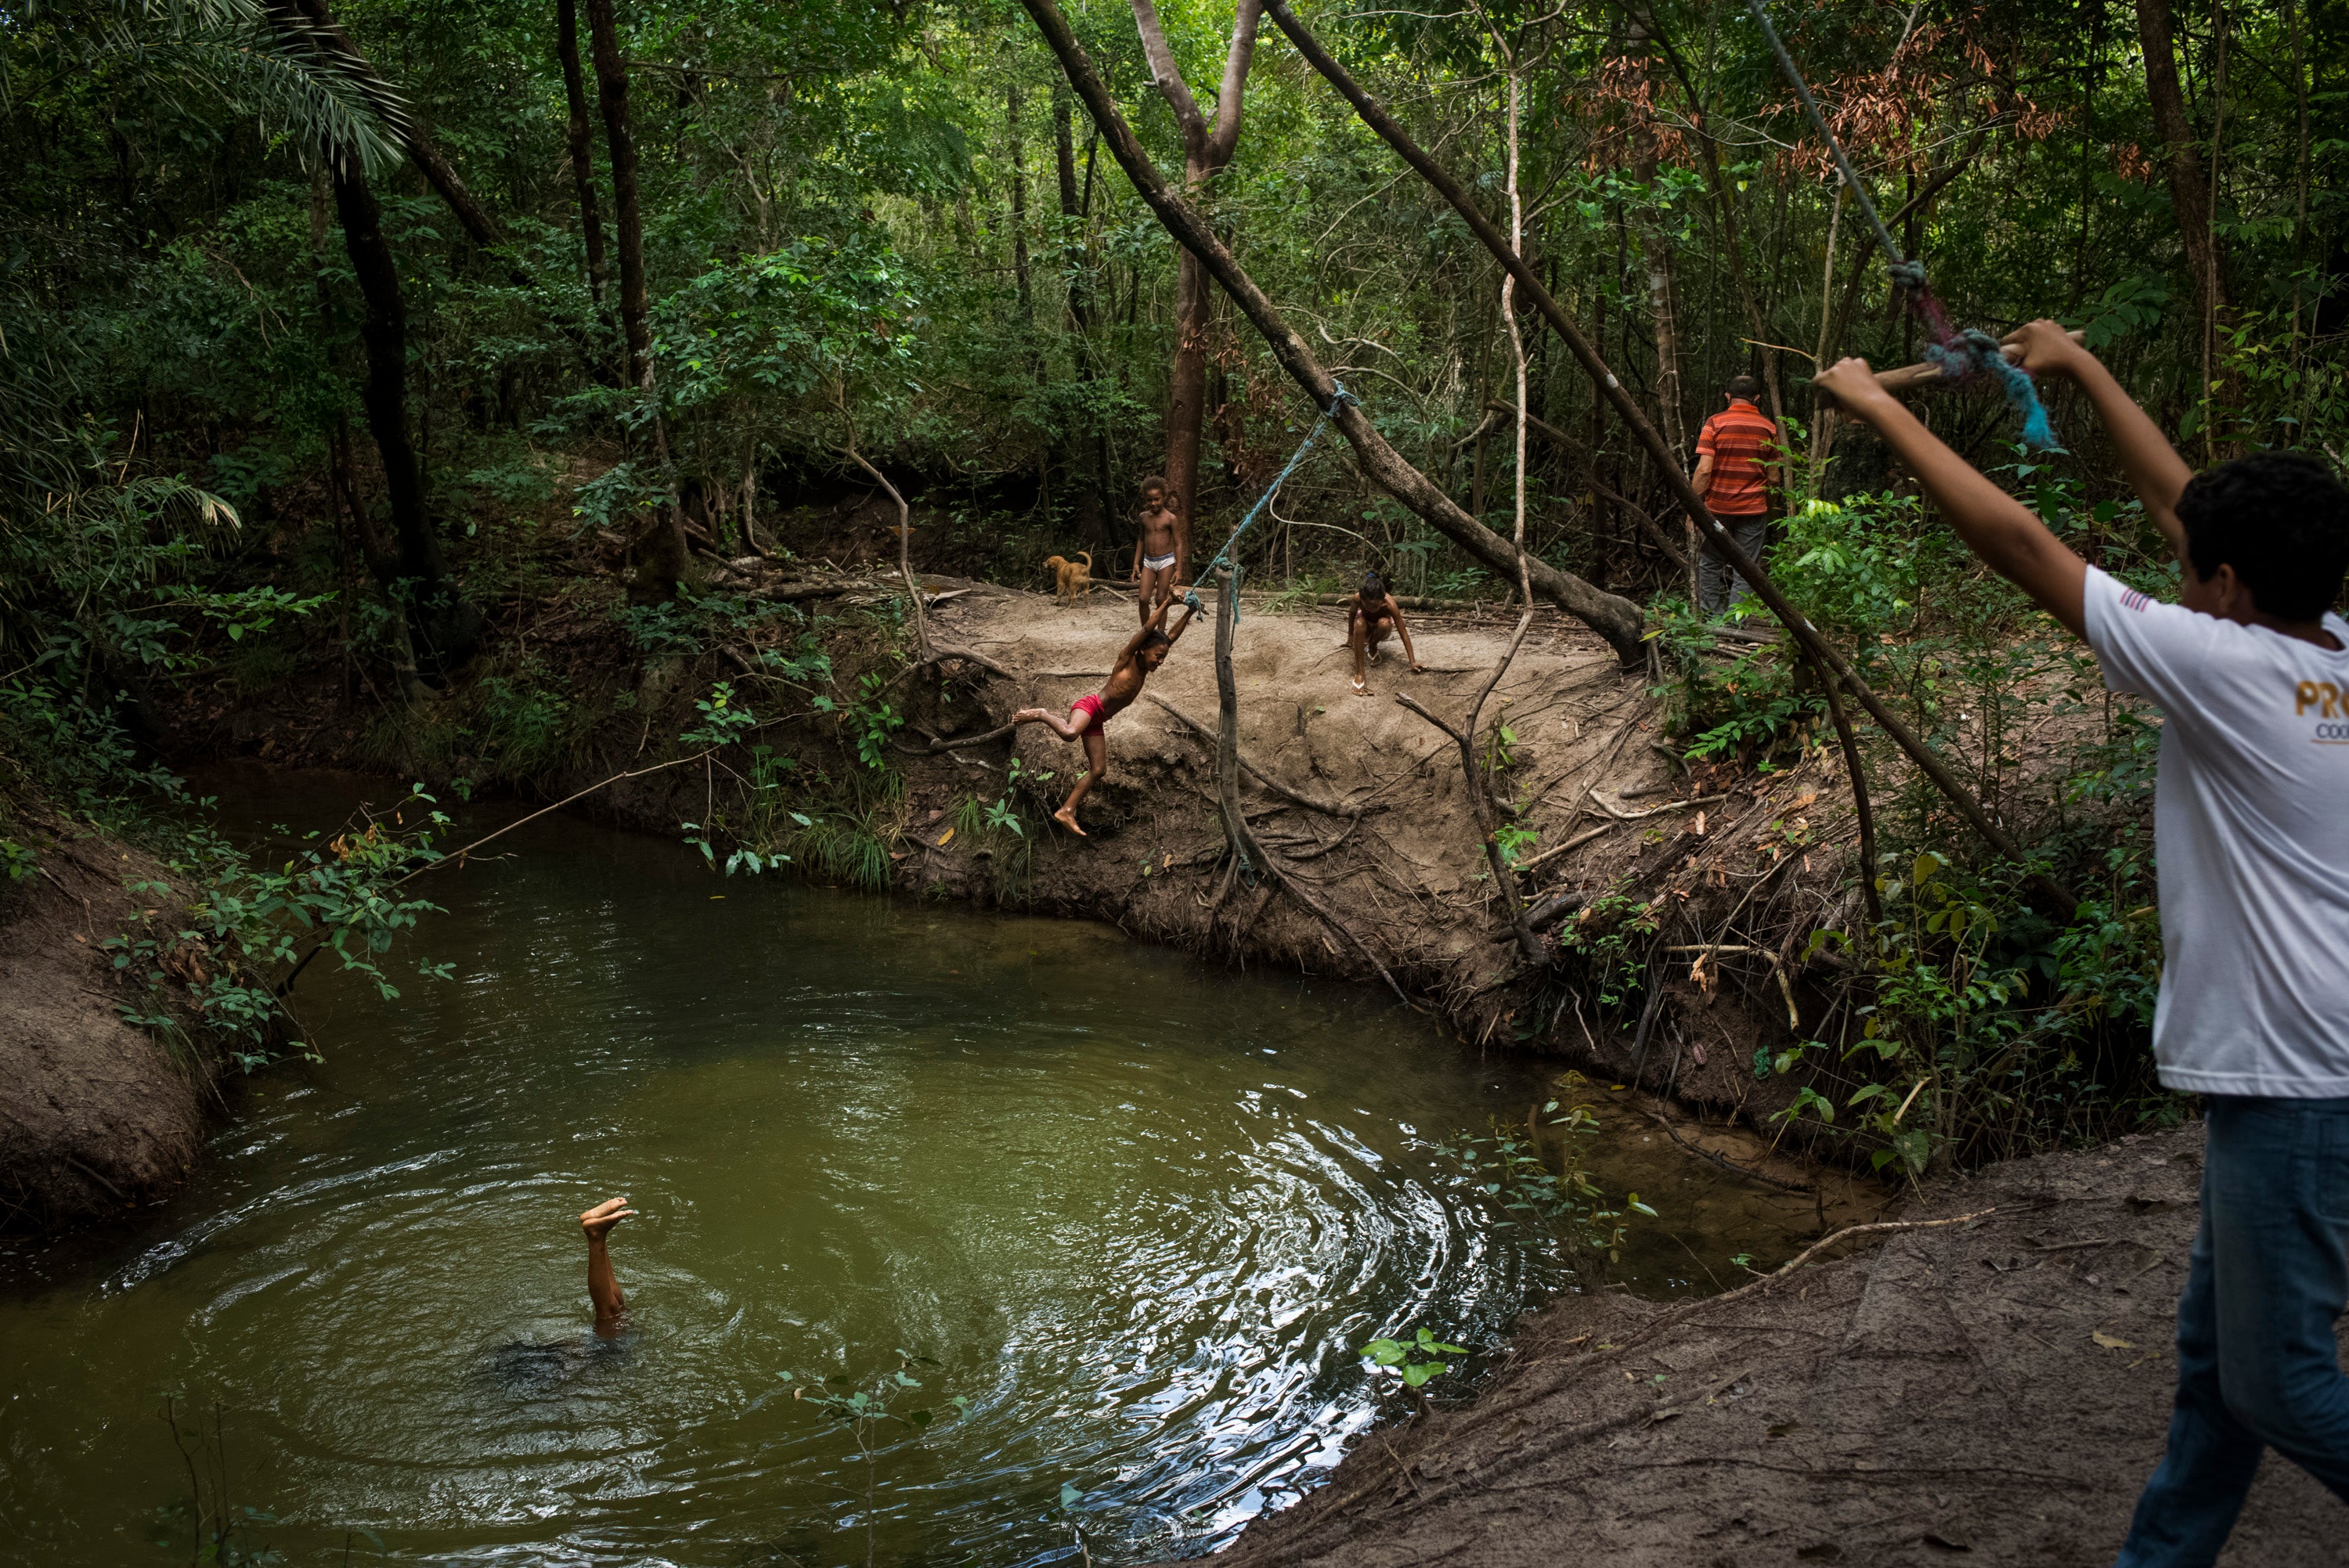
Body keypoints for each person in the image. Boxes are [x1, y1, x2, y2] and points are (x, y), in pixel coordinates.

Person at [1815, 324, 2349, 1568]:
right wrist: (2080, 364)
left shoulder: (2220, 667)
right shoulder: (2326, 650)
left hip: (2299, 1082)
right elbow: (2188, 509)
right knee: (2220, 1372)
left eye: (2195, 564)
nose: (2181, 562)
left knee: (2280, 1387)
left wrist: (1879, 410)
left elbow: (2025, 546)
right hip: (2300, 1070)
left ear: (2221, 583)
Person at [1012, 592, 1201, 834]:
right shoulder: (1126, 660)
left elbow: (1170, 637)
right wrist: (1166, 602)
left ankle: (1067, 810)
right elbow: (1146, 629)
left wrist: (1189, 611)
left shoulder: (1145, 666)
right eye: (1158, 656)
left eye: (1164, 657)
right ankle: (1040, 714)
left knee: (1099, 770)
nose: (1161, 662)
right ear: (1143, 650)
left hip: (1099, 720)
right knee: (1069, 732)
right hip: (1090, 707)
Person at [1690, 373, 1784, 615]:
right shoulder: (1768, 427)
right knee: (1747, 566)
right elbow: (1774, 477)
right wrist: (1768, 504)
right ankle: (1736, 622)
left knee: (1710, 562)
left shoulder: (1715, 423)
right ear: (1757, 398)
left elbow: (1703, 471)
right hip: (1753, 509)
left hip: (1716, 508)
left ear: (1728, 396)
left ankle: (1712, 619)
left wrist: (1693, 507)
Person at [1344, 569, 1423, 696]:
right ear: (1362, 600)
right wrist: (1350, 636)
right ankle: (1360, 672)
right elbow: (1352, 615)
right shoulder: (1357, 598)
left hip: (1380, 630)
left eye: (1375, 606)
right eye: (1367, 606)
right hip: (1364, 626)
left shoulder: (1390, 604)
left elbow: (1403, 633)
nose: (1371, 609)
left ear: (1382, 600)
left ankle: (1372, 645)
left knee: (1384, 623)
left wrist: (1412, 661)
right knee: (1359, 624)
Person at [582, 1195, 635, 1338]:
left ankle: (596, 1236)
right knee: (619, 1308)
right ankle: (595, 1232)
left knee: (610, 1315)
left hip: (599, 1353)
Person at [1132, 476, 1182, 624]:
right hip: (1148, 562)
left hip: (1165, 561)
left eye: (1157, 499)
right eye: (1150, 500)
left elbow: (1178, 543)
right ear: (1145, 499)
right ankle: (1145, 634)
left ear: (1164, 497)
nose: (1153, 503)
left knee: (1161, 598)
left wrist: (1179, 569)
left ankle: (1160, 635)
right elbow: (1141, 540)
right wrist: (1136, 563)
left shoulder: (1170, 518)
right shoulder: (1143, 517)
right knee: (1143, 598)